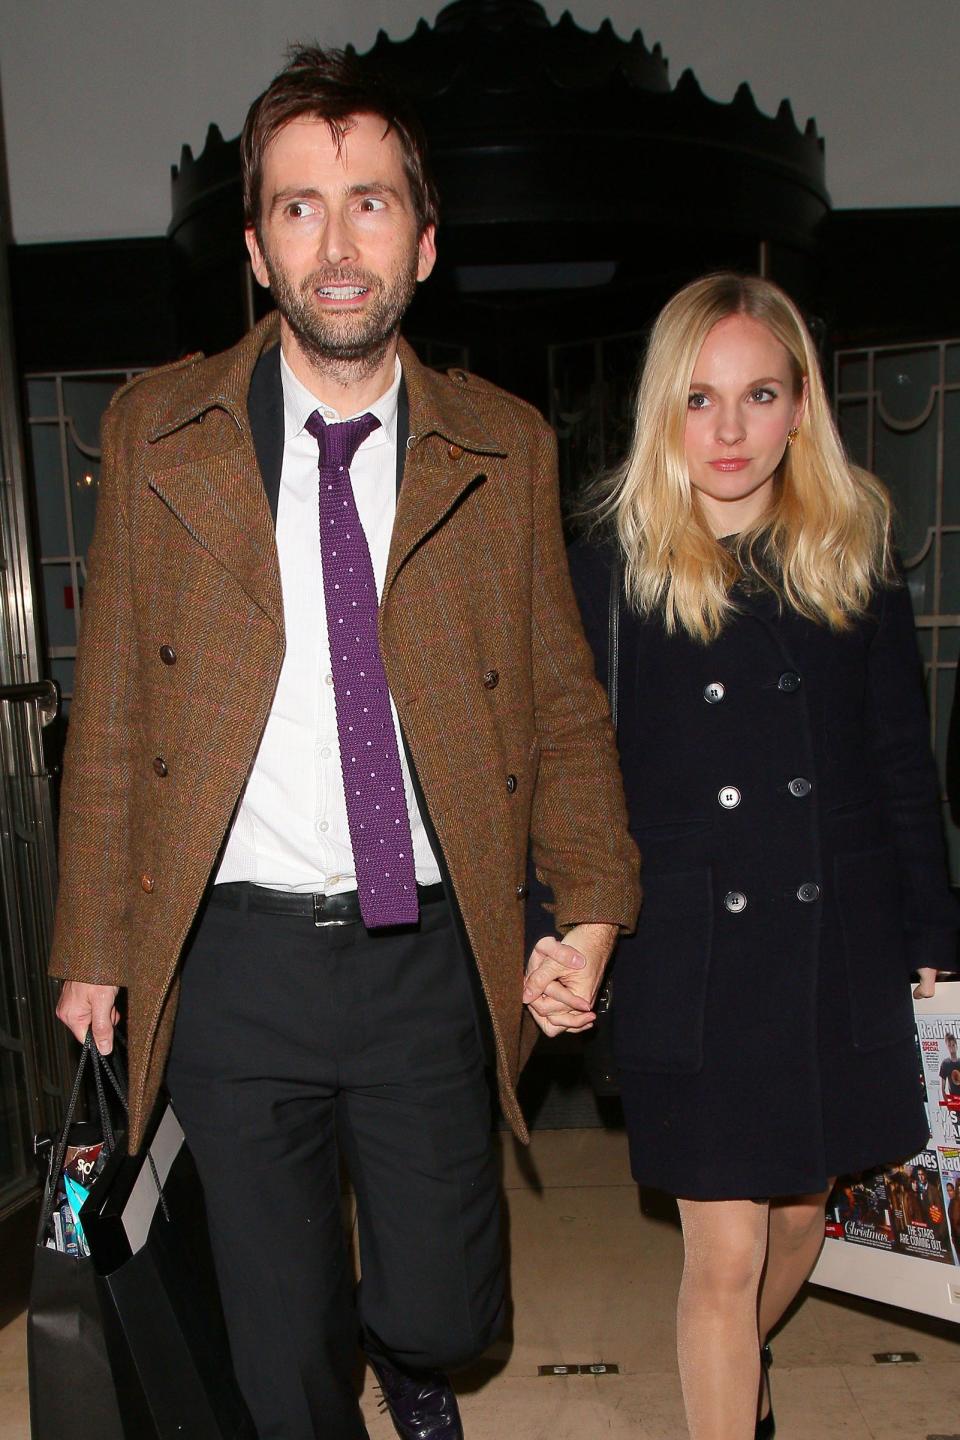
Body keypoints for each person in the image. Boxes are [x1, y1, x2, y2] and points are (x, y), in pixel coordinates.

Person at [50, 46, 640, 1440]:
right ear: (258, 248)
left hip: (425, 947)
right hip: (234, 950)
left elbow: (562, 701)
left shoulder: (501, 448)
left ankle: (411, 1357)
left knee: (443, 1308)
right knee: (278, 1359)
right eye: (301, 207)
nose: (336, 239)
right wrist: (91, 945)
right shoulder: (159, 434)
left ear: (424, 243)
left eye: (370, 202)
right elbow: (118, 701)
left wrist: (597, 904)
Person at [568, 272, 956, 1440]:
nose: (728, 432)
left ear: (801, 409)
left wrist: (936, 937)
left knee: (800, 1225)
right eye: (698, 398)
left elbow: (900, 758)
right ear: (661, 411)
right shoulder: (612, 563)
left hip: (837, 932)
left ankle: (745, 1370)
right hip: (693, 944)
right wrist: (561, 918)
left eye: (758, 395)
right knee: (724, 1250)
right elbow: (572, 769)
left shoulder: (853, 549)